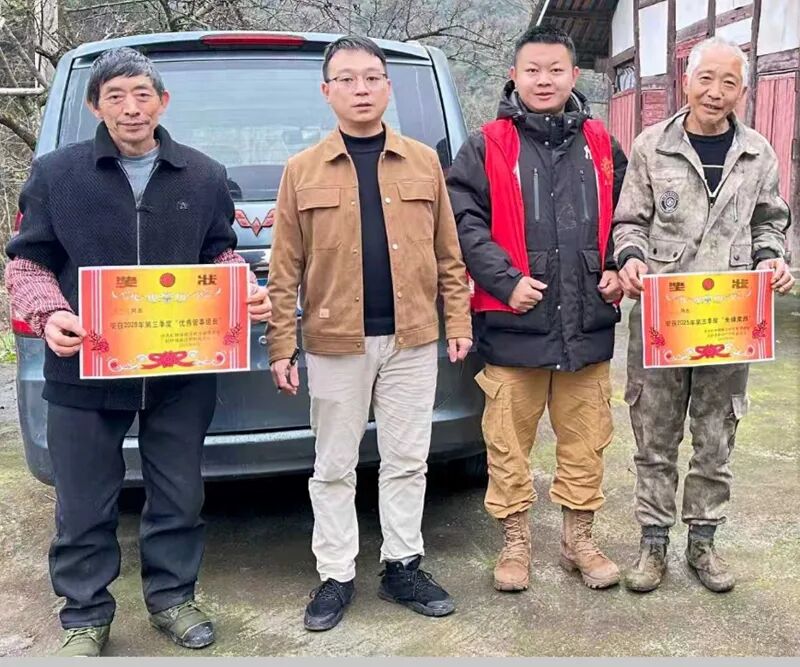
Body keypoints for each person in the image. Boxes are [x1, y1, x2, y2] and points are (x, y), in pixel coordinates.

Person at [4, 47, 271, 656]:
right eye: (116, 96)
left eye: (142, 94)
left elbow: (219, 253)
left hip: (181, 371)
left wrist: (242, 291)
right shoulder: (56, 174)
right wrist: (50, 314)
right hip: (85, 368)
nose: (131, 108)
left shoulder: (202, 174)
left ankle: (173, 599)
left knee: (179, 495)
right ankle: (85, 616)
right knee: (83, 502)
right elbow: (27, 264)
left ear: (163, 102)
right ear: (95, 106)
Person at [266, 35, 472, 631]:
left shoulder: (423, 162)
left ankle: (402, 565)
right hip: (335, 343)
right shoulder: (302, 170)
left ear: (387, 87)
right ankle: (336, 573)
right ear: (326, 91)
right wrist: (282, 343)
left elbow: (449, 253)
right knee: (333, 464)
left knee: (407, 460)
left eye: (372, 78)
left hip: (413, 339)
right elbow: (285, 268)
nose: (361, 89)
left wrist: (457, 320)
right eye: (347, 79)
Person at [447, 25, 628, 592]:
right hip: (513, 326)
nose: (543, 80)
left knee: (586, 441)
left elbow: (629, 215)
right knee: (507, 444)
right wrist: (504, 283)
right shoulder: (486, 144)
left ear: (574, 75)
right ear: (514, 76)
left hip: (587, 324)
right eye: (532, 70)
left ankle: (579, 540)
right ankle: (515, 542)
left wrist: (618, 265)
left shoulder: (601, 144)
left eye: (555, 69)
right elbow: (463, 221)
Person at [612, 36, 794, 594]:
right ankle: (653, 544)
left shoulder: (758, 153)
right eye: (706, 79)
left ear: (743, 91)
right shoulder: (651, 146)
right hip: (663, 317)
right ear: (686, 82)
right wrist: (631, 258)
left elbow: (769, 221)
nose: (716, 92)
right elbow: (629, 221)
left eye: (729, 82)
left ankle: (703, 543)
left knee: (716, 438)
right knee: (654, 436)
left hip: (730, 319)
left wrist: (772, 259)